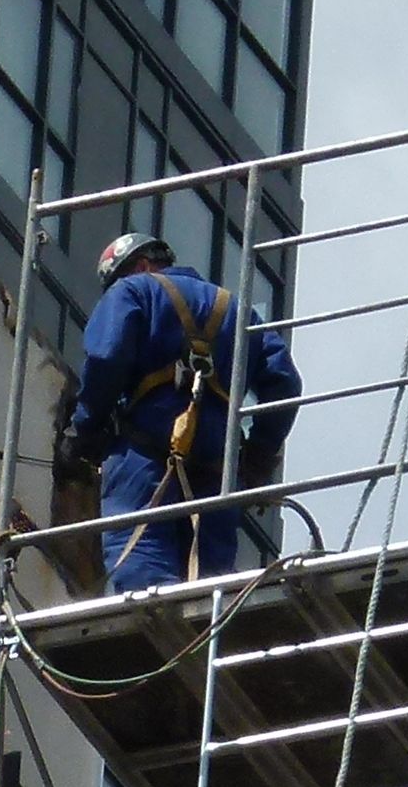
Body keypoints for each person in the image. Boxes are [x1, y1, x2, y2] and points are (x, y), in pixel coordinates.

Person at [67, 228, 299, 596]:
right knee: (210, 572)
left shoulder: (133, 291)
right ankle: (207, 635)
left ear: (141, 265)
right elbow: (285, 384)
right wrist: (256, 456)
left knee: (140, 549)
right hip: (216, 461)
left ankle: (149, 631)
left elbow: (106, 356)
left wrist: (87, 429)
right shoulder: (240, 313)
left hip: (146, 452)